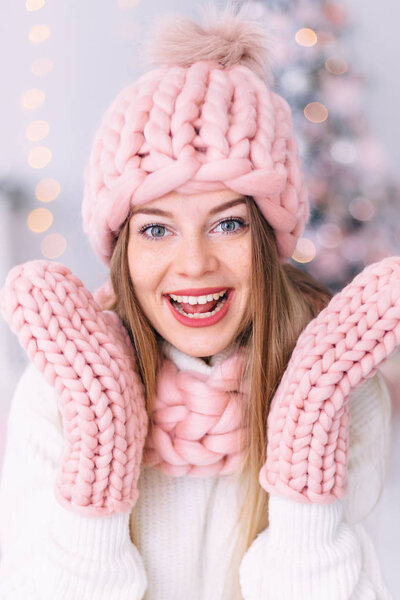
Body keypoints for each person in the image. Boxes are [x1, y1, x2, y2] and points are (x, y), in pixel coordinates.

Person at [0, 3, 395, 599]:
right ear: (122, 250)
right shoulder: (59, 394)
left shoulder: (341, 394)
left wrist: (303, 450)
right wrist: (100, 452)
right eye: (157, 230)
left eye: (227, 225)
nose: (194, 265)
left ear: (267, 237)